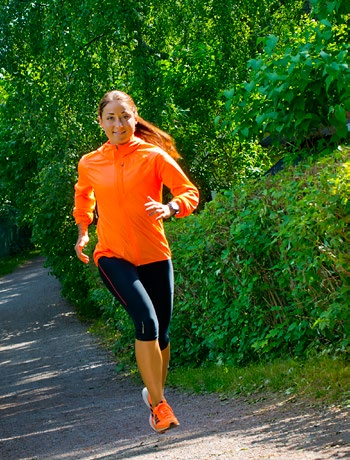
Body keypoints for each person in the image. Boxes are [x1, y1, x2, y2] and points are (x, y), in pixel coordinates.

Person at [73, 90, 199, 433]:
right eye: (110, 118)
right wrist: (84, 230)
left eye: (124, 116)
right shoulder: (90, 162)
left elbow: (188, 192)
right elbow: (84, 195)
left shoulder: (153, 156)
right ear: (100, 122)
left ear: (134, 117)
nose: (118, 124)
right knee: (146, 322)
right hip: (112, 255)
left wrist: (170, 208)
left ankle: (154, 391)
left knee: (162, 335)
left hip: (155, 254)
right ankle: (160, 406)